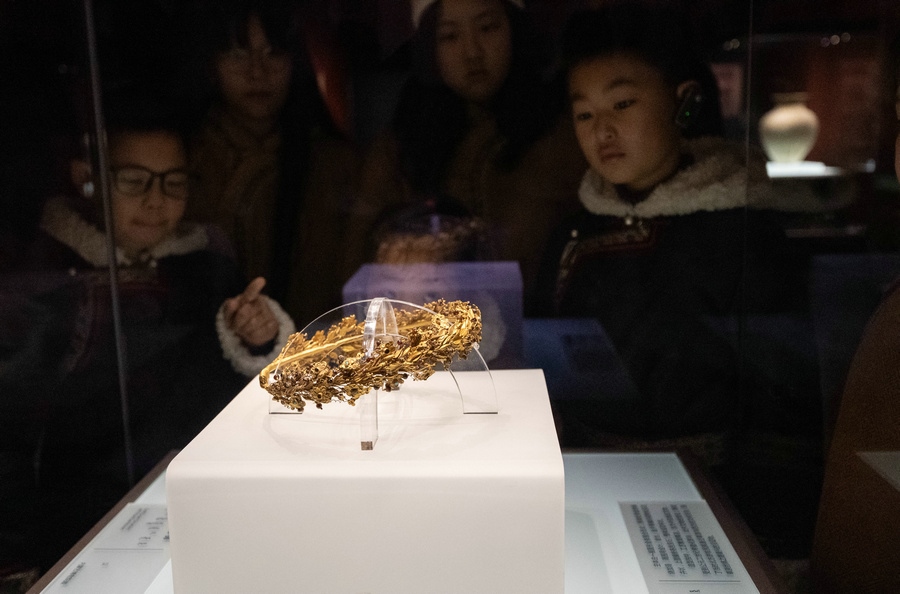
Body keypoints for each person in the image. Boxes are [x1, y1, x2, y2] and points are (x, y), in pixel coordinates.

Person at [0, 95, 295, 571]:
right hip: (79, 529)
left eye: (173, 183)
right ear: (88, 179)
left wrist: (255, 335)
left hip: (199, 504)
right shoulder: (43, 282)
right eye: (134, 181)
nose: (156, 201)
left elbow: (238, 390)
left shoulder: (206, 265)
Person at [538, 2, 810, 447]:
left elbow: (783, 400)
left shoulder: (739, 233)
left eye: (622, 104)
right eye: (585, 114)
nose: (602, 130)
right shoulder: (572, 235)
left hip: (706, 472)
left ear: (684, 102)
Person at [344, 0, 587, 312]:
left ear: (514, 28)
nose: (472, 52)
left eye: (487, 28)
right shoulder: (399, 148)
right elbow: (355, 277)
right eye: (450, 36)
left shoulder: (565, 136)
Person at [183, 0, 357, 325]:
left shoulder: (335, 164)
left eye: (273, 53)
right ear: (211, 65)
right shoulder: (184, 161)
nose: (257, 72)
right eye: (238, 54)